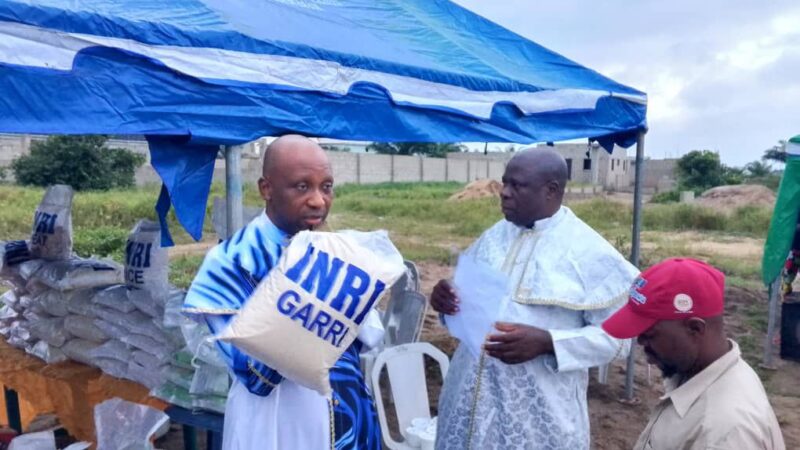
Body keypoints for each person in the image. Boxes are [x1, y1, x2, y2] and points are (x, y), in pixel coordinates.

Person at [183, 135, 384, 449]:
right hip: (277, 424)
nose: (319, 200)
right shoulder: (232, 262)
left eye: (326, 186)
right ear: (266, 189)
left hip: (347, 414)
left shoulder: (337, 250)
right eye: (302, 186)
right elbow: (254, 372)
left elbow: (368, 336)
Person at [432, 148, 639, 450]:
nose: (504, 193)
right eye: (504, 183)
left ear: (551, 191)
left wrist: (548, 342)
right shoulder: (493, 236)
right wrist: (446, 300)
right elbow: (466, 303)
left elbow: (619, 340)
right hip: (467, 408)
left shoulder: (590, 252)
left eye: (517, 185)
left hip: (536, 420)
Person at [602, 258, 785, 450]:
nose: (640, 343)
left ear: (695, 329)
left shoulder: (722, 434)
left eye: (649, 335)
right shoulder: (700, 373)